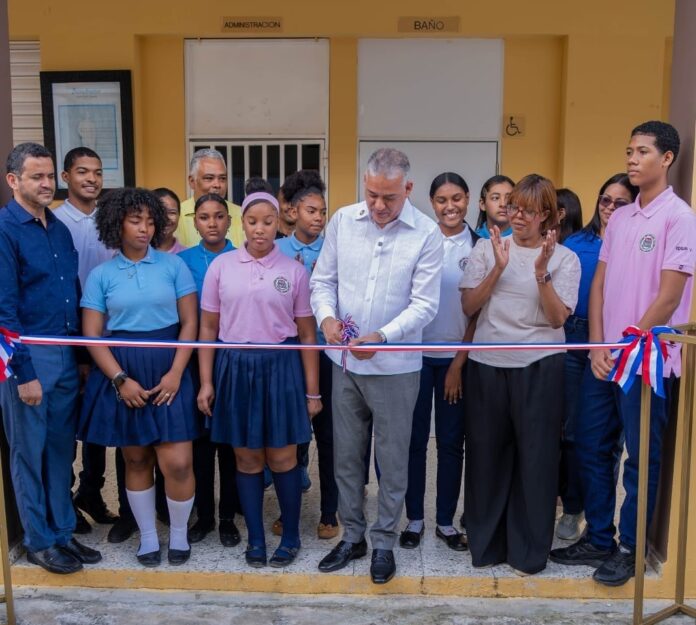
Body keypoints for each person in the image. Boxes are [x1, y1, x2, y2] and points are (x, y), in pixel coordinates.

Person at [550, 121, 696, 586]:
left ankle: (631, 549)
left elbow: (670, 296)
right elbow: (599, 285)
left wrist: (631, 343)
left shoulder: (680, 217)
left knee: (639, 457)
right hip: (605, 357)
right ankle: (599, 537)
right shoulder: (622, 218)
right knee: (590, 446)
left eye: (643, 152)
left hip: (646, 360)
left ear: (667, 159)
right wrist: (598, 344)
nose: (632, 159)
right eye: (629, 151)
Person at [311, 148, 443, 584]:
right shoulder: (343, 222)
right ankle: (353, 536)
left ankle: (384, 541)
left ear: (408, 188)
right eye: (371, 195)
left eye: (389, 197)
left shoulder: (426, 234)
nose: (378, 205)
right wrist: (326, 318)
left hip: (396, 368)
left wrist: (383, 336)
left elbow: (425, 304)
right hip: (345, 365)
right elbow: (322, 281)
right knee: (346, 458)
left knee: (392, 459)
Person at [461, 173, 580, 575]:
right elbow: (469, 307)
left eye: (528, 211)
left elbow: (556, 318)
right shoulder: (487, 247)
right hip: (488, 363)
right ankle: (487, 545)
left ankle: (528, 551)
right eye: (514, 207)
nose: (517, 216)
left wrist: (541, 272)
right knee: (486, 456)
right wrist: (498, 267)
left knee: (536, 459)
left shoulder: (564, 258)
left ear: (547, 215)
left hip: (540, 365)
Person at [198, 190, 321, 569]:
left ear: (278, 223)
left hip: (281, 367)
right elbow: (208, 328)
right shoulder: (221, 267)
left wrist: (312, 391)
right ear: (242, 224)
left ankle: (291, 536)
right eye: (252, 222)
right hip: (235, 366)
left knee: (283, 456)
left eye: (268, 222)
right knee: (247, 456)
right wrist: (206, 381)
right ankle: (255, 537)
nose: (260, 229)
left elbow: (306, 334)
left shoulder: (294, 271)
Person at [78, 187, 200, 567]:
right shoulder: (101, 275)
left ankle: (178, 534)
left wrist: (177, 372)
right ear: (117, 224)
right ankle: (147, 537)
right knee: (136, 459)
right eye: (135, 221)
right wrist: (119, 380)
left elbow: (190, 322)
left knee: (178, 461)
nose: (145, 228)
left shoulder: (174, 266)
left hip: (170, 368)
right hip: (125, 371)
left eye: (150, 221)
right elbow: (92, 335)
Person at [0, 142, 101, 574]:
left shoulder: (58, 228)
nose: (46, 184)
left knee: (62, 451)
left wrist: (79, 355)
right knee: (29, 452)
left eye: (48, 176)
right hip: (28, 357)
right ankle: (39, 540)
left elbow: (71, 293)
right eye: (36, 177)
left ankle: (62, 531)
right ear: (13, 180)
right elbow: (3, 311)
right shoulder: (5, 230)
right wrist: (22, 372)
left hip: (65, 352)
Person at [554, 174, 637, 542]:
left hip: (615, 344)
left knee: (609, 440)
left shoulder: (634, 244)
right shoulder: (576, 243)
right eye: (605, 200)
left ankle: (597, 518)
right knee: (574, 433)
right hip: (574, 341)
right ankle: (573, 508)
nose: (610, 208)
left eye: (620, 203)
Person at [399, 172, 478, 552]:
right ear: (432, 203)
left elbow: (478, 312)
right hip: (415, 359)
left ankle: (445, 522)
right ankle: (414, 518)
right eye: (442, 200)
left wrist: (458, 364)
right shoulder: (419, 241)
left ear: (468, 199)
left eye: (457, 198)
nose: (450, 206)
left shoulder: (480, 246)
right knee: (414, 441)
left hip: (454, 362)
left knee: (450, 443)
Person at [53, 147, 119, 535]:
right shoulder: (55, 221)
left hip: (109, 336)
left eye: (97, 172)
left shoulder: (109, 220)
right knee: (69, 422)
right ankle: (65, 499)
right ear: (66, 177)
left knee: (100, 418)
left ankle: (91, 491)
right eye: (82, 172)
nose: (91, 179)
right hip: (70, 335)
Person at [277, 169, 340, 539]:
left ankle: (329, 511)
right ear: (293, 212)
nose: (318, 218)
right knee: (292, 437)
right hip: (291, 356)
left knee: (328, 436)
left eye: (322, 212)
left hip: (327, 354)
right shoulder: (278, 251)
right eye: (311, 211)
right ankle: (289, 511)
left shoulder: (334, 250)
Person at [177, 193, 242, 546]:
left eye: (219, 216)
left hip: (231, 359)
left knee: (229, 443)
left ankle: (228, 516)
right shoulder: (182, 261)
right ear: (195, 221)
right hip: (193, 360)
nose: (212, 223)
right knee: (200, 445)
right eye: (204, 217)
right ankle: (204, 515)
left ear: (230, 221)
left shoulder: (243, 258)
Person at [175, 149, 244, 248]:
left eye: (222, 178)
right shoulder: (176, 216)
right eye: (209, 178)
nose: (217, 185)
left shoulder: (242, 214)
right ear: (192, 181)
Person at [475, 175, 514, 239]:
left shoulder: (525, 238)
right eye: (495, 198)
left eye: (509, 198)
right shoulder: (473, 239)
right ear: (482, 204)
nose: (503, 204)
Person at [154, 188, 187, 253]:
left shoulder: (186, 254)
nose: (165, 218)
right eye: (160, 212)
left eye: (172, 213)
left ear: (179, 215)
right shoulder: (137, 252)